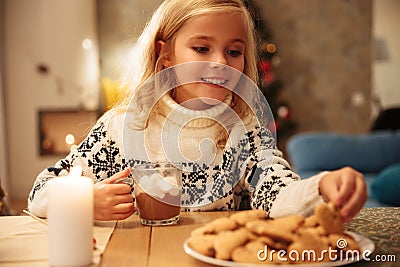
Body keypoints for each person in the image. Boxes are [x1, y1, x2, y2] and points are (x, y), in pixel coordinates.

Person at [28, 0, 366, 222]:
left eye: (234, 51)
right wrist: (84, 202)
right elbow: (39, 194)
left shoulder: (245, 130)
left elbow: (277, 195)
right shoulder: (121, 128)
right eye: (202, 48)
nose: (221, 63)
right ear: (167, 55)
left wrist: (322, 185)